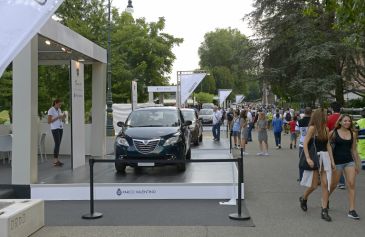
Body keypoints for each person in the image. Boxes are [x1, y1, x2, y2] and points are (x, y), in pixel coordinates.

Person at [299, 108, 335, 222]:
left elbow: (328, 145)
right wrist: (308, 158)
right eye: (325, 115)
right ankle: (304, 198)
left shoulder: (326, 128)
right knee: (314, 185)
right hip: (315, 157)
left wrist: (332, 160)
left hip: (325, 158)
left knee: (325, 184)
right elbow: (305, 144)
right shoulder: (312, 128)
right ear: (320, 117)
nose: (327, 117)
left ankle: (324, 210)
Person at [329, 114, 361, 219]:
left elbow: (354, 150)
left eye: (349, 121)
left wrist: (357, 163)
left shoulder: (353, 134)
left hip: (349, 162)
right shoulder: (333, 133)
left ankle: (352, 210)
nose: (347, 123)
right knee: (333, 185)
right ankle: (325, 199)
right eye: (345, 121)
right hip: (337, 162)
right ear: (340, 122)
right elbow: (325, 145)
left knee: (351, 184)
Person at [327, 101, 346, 189]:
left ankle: (338, 180)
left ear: (331, 109)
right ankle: (342, 181)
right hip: (345, 140)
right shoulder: (344, 118)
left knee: (334, 161)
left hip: (332, 141)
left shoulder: (329, 118)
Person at [48, 98, 66, 167]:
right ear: (55, 103)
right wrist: (58, 117)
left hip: (60, 128)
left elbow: (61, 119)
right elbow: (49, 121)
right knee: (57, 144)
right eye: (59, 104)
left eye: (61, 105)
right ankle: (55, 161)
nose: (60, 106)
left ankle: (57, 160)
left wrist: (63, 117)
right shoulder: (51, 110)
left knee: (58, 144)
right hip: (55, 129)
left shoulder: (59, 110)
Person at [296, 107, 312, 181]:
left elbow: (297, 132)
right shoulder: (313, 122)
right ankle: (312, 177)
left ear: (304, 112)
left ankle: (301, 177)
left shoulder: (299, 121)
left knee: (302, 161)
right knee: (313, 160)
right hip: (312, 144)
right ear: (311, 113)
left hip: (302, 143)